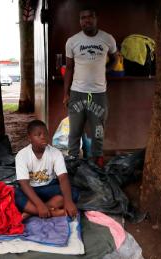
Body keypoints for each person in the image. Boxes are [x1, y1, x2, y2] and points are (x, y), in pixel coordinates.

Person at [63, 6, 119, 168]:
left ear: (96, 18)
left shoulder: (107, 39)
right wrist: (65, 94)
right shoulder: (72, 41)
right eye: (82, 18)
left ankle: (98, 159)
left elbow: (115, 58)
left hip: (98, 94)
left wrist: (106, 70)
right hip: (77, 93)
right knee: (74, 131)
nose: (86, 20)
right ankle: (73, 160)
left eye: (89, 17)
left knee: (98, 131)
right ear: (80, 21)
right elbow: (69, 68)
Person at [15, 120, 79, 219]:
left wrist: (69, 202)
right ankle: (53, 212)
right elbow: (24, 184)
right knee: (14, 194)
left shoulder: (55, 153)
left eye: (45, 133)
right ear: (29, 138)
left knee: (73, 193)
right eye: (38, 134)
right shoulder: (22, 155)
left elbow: (63, 178)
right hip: (31, 190)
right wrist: (39, 205)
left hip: (48, 187)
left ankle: (31, 212)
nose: (43, 137)